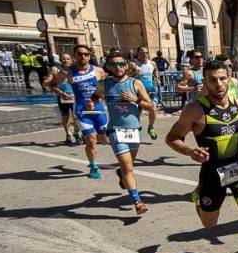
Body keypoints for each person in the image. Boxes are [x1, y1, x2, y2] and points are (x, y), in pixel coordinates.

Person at [166, 60, 238, 253]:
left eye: (222, 78)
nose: (218, 84)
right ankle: (200, 198)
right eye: (212, 79)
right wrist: (190, 150)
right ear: (205, 82)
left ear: (228, 78)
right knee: (209, 225)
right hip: (211, 173)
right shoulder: (195, 110)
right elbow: (172, 138)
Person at [48, 44, 108, 178]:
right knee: (91, 140)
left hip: (98, 109)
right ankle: (93, 166)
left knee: (105, 140)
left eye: (86, 54)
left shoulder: (98, 71)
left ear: (89, 56)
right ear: (74, 55)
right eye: (80, 54)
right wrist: (61, 93)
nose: (83, 56)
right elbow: (52, 84)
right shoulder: (67, 72)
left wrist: (98, 99)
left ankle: (65, 166)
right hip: (82, 111)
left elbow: (105, 87)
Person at [104, 50, 152, 216]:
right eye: (114, 64)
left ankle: (121, 174)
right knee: (128, 167)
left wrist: (135, 100)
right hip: (115, 130)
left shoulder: (135, 84)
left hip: (134, 130)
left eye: (121, 64)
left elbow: (150, 105)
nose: (118, 67)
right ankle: (138, 202)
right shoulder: (103, 84)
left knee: (128, 166)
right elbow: (93, 99)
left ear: (126, 66)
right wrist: (90, 104)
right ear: (109, 67)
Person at [46, 53, 81, 145]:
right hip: (62, 97)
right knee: (65, 117)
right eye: (63, 59)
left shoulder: (75, 69)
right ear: (60, 60)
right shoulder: (56, 70)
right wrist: (48, 82)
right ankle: (68, 134)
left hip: (75, 96)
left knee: (76, 117)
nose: (66, 61)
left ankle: (76, 133)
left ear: (71, 60)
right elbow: (48, 83)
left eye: (68, 59)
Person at [130, 46, 159, 140]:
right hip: (137, 91)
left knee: (153, 108)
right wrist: (134, 72)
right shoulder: (133, 64)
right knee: (137, 113)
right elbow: (125, 75)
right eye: (142, 53)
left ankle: (151, 127)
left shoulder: (152, 63)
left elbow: (155, 71)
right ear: (138, 54)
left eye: (146, 53)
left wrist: (157, 78)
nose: (145, 55)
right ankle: (136, 128)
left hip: (150, 90)